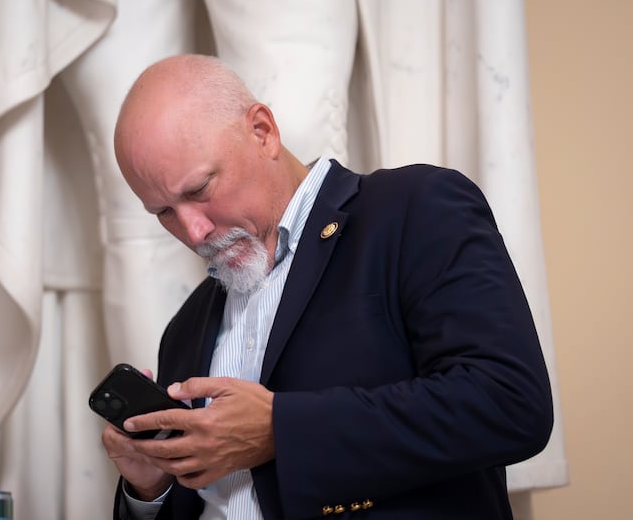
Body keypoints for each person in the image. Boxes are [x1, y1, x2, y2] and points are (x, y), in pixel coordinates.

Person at [101, 54, 553, 520]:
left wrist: (281, 429)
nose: (193, 232)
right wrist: (151, 488)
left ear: (263, 131)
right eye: (164, 213)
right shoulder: (186, 325)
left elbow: (510, 403)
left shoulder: (415, 209)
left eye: (198, 190)